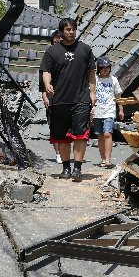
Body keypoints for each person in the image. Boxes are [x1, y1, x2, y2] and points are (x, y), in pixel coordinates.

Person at [40, 18, 96, 182]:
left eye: (73, 29)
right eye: (68, 29)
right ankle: (66, 168)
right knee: (62, 137)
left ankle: (77, 168)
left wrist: (93, 92)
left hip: (80, 99)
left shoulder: (85, 49)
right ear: (61, 32)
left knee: (81, 135)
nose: (71, 32)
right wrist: (47, 84)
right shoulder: (52, 51)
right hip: (59, 100)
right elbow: (45, 70)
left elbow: (91, 72)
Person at [91, 56, 123, 168]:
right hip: (97, 110)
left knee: (107, 134)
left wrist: (121, 109)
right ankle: (103, 159)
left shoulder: (113, 80)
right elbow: (90, 94)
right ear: (98, 68)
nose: (105, 69)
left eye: (107, 67)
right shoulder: (94, 79)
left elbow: (118, 95)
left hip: (109, 110)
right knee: (100, 135)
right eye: (102, 67)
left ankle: (108, 159)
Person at [40, 29, 62, 163]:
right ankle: (58, 153)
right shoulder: (48, 56)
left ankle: (64, 151)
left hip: (67, 96)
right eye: (55, 41)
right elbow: (42, 76)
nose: (57, 43)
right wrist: (44, 95)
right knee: (54, 126)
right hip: (52, 96)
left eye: (59, 41)